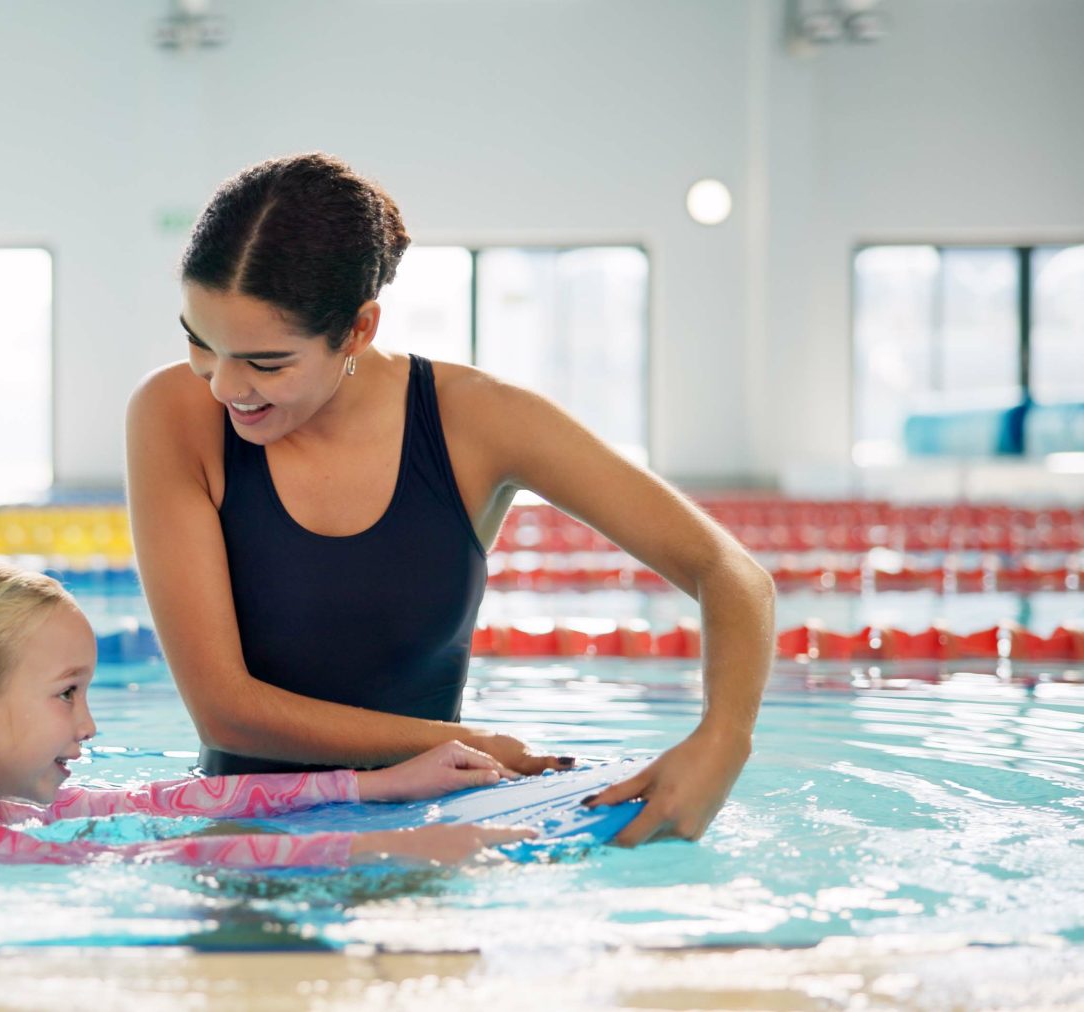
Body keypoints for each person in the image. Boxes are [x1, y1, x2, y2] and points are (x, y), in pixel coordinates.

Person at [124, 152, 776, 846]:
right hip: (247, 840)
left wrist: (724, 737)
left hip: (432, 840)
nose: (224, 386)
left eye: (266, 363)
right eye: (200, 343)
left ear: (357, 330)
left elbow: (732, 574)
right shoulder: (173, 414)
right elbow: (227, 711)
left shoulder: (478, 422)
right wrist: (464, 741)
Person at [0, 558, 535, 872]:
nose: (89, 726)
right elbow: (145, 853)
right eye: (66, 694)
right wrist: (386, 847)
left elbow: (158, 800)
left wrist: (377, 784)